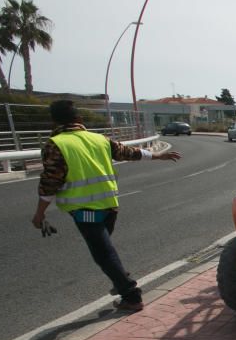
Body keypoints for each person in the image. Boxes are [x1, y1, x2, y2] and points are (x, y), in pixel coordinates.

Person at [31, 100, 182, 311]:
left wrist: (39, 214)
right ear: (79, 119)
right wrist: (158, 155)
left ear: (53, 121)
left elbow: (50, 183)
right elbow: (127, 153)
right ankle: (120, 278)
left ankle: (131, 295)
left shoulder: (55, 144)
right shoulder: (99, 139)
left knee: (103, 254)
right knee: (106, 251)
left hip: (85, 210)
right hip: (110, 207)